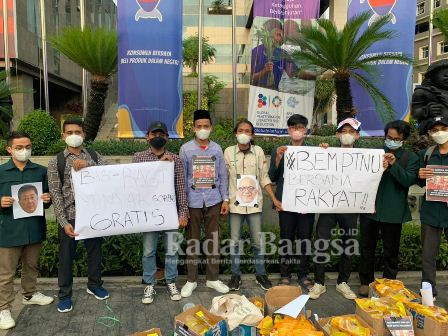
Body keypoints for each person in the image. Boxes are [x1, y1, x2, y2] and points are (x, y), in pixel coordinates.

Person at [48, 119, 109, 313]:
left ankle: (94, 285)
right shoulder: (56, 161)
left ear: (84, 135)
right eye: (69, 132)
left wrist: (88, 166)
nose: (74, 135)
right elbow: (55, 193)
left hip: (93, 215)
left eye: (78, 131)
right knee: (66, 257)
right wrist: (63, 221)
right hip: (70, 216)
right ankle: (65, 295)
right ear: (63, 136)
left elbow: (109, 177)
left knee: (95, 252)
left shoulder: (94, 156)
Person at [358, 120, 419, 297]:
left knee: (391, 252)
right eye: (389, 137)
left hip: (394, 213)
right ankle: (365, 282)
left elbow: (408, 180)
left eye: (396, 139)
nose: (392, 141)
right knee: (367, 248)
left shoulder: (411, 158)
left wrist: (393, 166)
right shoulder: (374, 153)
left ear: (403, 140)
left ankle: (389, 284)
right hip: (370, 209)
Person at [0, 131, 53, 330]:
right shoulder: (1, 172)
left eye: (28, 147)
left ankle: (29, 294)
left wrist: (47, 200)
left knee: (32, 265)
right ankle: (3, 309)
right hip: (9, 230)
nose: (24, 150)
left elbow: (46, 200)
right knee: (6, 273)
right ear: (9, 149)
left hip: (33, 227)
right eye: (19, 147)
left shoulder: (40, 171)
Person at [132, 121, 189, 304]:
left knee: (172, 250)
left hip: (170, 213)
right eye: (154, 134)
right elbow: (134, 186)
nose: (158, 137)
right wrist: (159, 166)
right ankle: (149, 283)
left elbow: (181, 188)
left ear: (167, 137)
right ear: (147, 136)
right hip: (149, 214)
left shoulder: (175, 159)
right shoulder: (138, 158)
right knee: (149, 251)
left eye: (161, 134)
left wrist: (183, 213)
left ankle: (171, 281)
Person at [224, 119, 282, 291]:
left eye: (247, 131)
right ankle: (235, 275)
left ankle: (260, 274)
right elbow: (223, 179)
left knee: (258, 241)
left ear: (252, 134)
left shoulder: (258, 151)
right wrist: (225, 200)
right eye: (241, 130)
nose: (244, 133)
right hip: (235, 206)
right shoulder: (228, 152)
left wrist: (274, 199)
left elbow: (264, 177)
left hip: (254, 205)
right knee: (235, 242)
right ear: (235, 133)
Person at [308, 118, 361, 300]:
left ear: (357, 136)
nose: (347, 135)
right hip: (328, 206)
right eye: (344, 131)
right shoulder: (327, 153)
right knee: (321, 242)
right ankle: (319, 283)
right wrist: (321, 153)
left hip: (350, 207)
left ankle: (343, 282)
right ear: (337, 134)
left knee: (348, 244)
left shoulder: (365, 158)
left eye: (351, 131)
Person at [179, 109, 230, 297]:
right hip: (193, 201)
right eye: (199, 126)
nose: (202, 129)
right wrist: (183, 207)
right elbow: (182, 178)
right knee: (192, 242)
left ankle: (212, 279)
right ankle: (191, 280)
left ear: (211, 128)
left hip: (214, 200)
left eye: (205, 126)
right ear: (193, 128)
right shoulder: (185, 149)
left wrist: (225, 199)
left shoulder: (217, 149)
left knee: (213, 241)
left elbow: (223, 176)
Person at [268, 114, 315, 290]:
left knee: (305, 240)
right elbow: (272, 176)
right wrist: (279, 159)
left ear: (306, 130)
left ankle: (303, 274)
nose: (297, 131)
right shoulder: (279, 150)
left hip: (306, 203)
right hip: (286, 203)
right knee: (286, 239)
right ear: (288, 130)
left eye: (300, 128)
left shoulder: (313, 150)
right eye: (294, 128)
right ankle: (285, 274)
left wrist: (324, 150)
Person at [418, 116, 448, 299]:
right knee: (428, 256)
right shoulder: (427, 154)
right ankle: (429, 294)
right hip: (430, 211)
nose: (439, 133)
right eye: (434, 130)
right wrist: (419, 175)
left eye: (443, 128)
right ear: (429, 134)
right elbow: (418, 181)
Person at [251, 19, 314, 91]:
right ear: (267, 34)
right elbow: (249, 78)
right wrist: (264, 71)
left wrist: (316, 77)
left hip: (275, 94)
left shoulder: (282, 53)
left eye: (281, 35)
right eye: (277, 35)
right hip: (258, 95)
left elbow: (295, 73)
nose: (280, 38)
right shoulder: (256, 52)